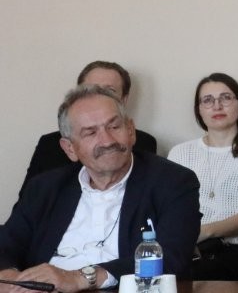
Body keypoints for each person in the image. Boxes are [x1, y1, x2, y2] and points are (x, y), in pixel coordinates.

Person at [0, 85, 200, 293]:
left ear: (131, 131)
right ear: (70, 148)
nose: (107, 141)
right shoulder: (44, 188)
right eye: (91, 132)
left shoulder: (173, 182)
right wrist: (8, 278)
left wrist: (80, 278)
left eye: (114, 126)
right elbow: (6, 244)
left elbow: (172, 257)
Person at [167, 73, 238, 280]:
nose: (217, 106)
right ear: (199, 110)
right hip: (186, 251)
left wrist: (202, 233)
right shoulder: (180, 153)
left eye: (225, 98)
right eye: (208, 100)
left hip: (236, 254)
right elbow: (170, 212)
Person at [19, 60, 159, 197]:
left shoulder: (141, 145)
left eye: (109, 91)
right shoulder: (49, 147)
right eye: (90, 90)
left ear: (124, 100)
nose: (107, 141)